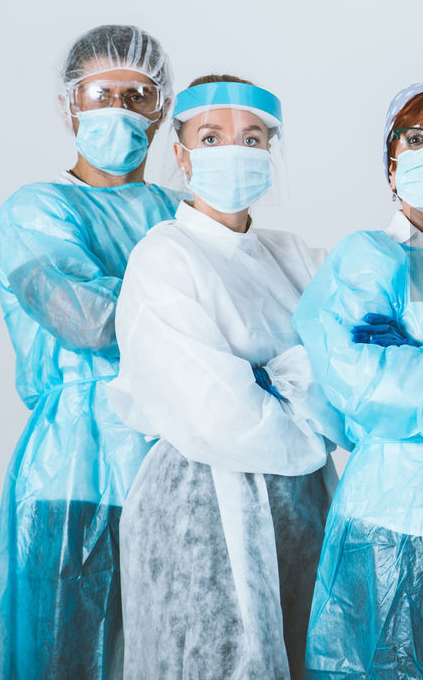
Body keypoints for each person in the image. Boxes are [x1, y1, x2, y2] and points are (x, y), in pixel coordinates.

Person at [108, 75, 345, 678]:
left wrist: (278, 381)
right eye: (211, 137)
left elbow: (353, 355)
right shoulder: (164, 257)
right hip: (202, 509)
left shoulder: (292, 255)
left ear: (271, 149)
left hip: (303, 508)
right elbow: (219, 414)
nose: (233, 151)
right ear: (182, 152)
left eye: (252, 137)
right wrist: (307, 391)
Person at [0, 25, 179, 679]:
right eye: (102, 94)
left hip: (177, 469)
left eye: (137, 94)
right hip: (76, 473)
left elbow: (260, 309)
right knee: (65, 658)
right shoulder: (34, 213)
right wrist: (198, 310)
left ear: (163, 109)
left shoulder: (184, 214)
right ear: (70, 106)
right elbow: (89, 320)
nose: (121, 110)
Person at [296, 80, 423, 679]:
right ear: (391, 166)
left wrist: (421, 357)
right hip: (391, 514)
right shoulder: (365, 258)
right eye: (416, 138)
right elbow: (369, 392)